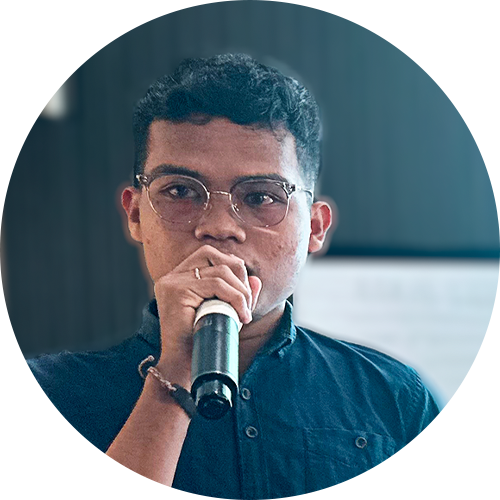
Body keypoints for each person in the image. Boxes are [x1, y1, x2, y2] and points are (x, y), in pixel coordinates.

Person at [27, 54, 439, 499]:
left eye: (261, 196)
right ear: (135, 215)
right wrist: (175, 370)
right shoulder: (42, 395)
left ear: (315, 228)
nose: (219, 226)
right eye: (180, 192)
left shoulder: (397, 400)